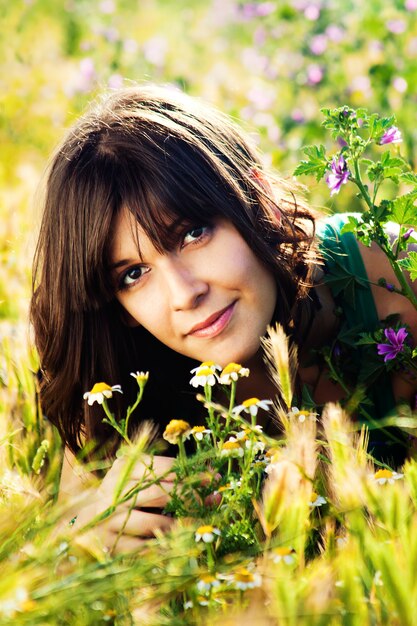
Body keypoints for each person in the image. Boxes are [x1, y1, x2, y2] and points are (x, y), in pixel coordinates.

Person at [30, 84, 417, 552]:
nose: (185, 294)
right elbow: (62, 554)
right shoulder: (115, 386)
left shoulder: (391, 275)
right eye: (134, 274)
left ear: (257, 199)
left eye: (194, 233)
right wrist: (90, 540)